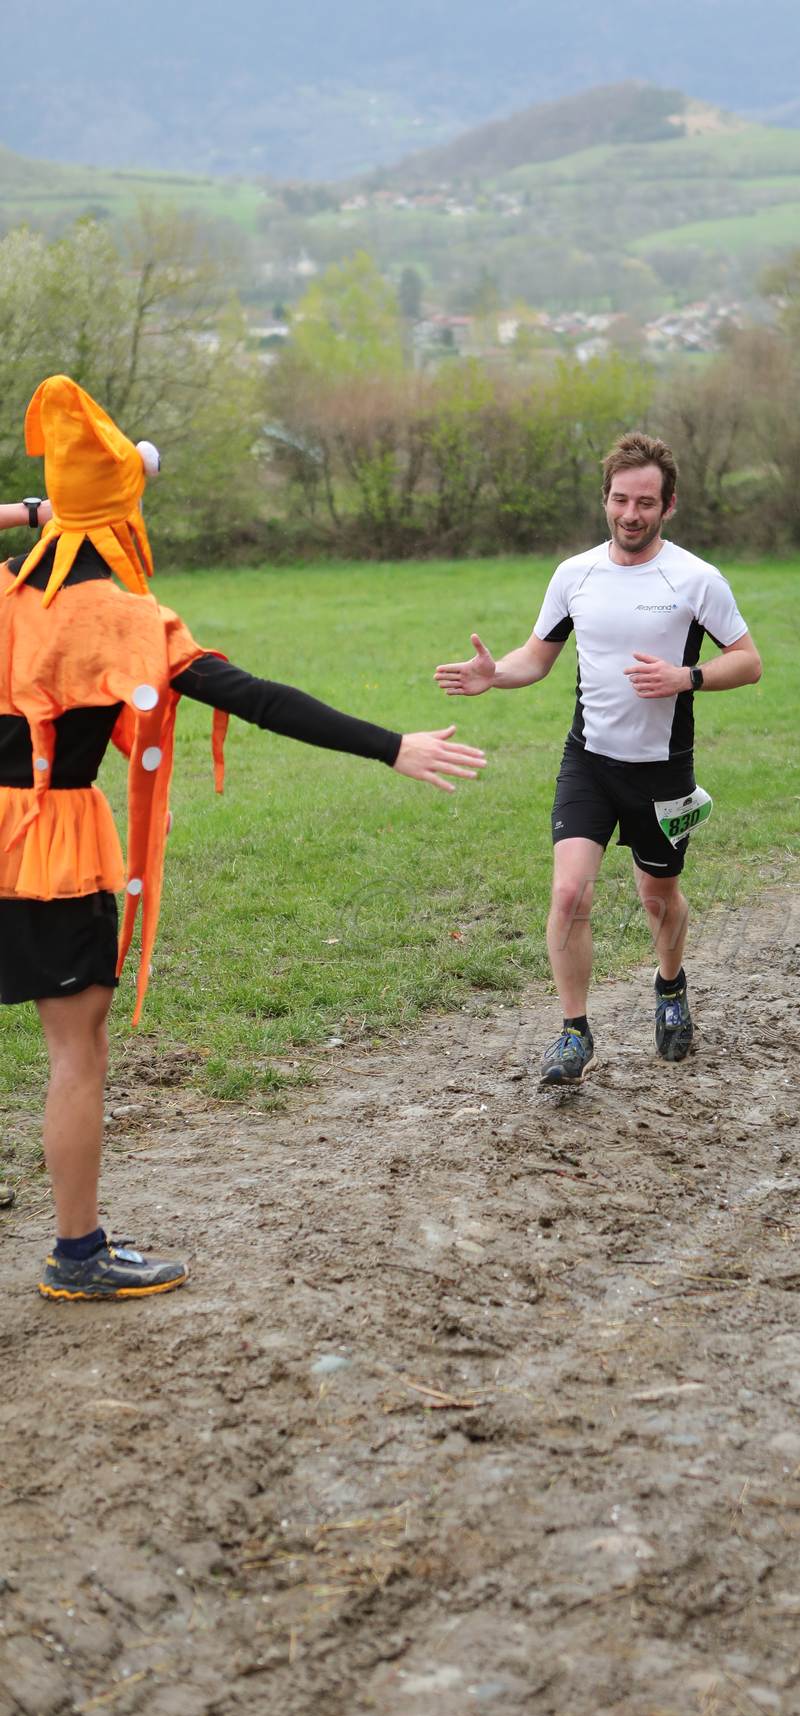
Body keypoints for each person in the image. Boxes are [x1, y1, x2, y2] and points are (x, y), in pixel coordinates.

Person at [1, 374, 486, 1301]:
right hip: (50, 850)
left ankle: (78, 1241)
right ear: (124, 520)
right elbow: (256, 698)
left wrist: (34, 513)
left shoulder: (6, 592)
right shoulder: (129, 623)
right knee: (75, 1054)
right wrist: (391, 745)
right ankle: (77, 1254)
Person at [434, 430, 762, 1085]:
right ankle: (574, 1033)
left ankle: (670, 985)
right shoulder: (575, 574)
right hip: (588, 761)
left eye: (645, 502)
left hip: (663, 771)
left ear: (669, 505)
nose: (630, 514)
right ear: (605, 498)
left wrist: (687, 677)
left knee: (657, 898)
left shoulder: (697, 579)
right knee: (568, 892)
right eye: (620, 500)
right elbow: (537, 657)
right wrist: (494, 674)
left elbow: (748, 661)